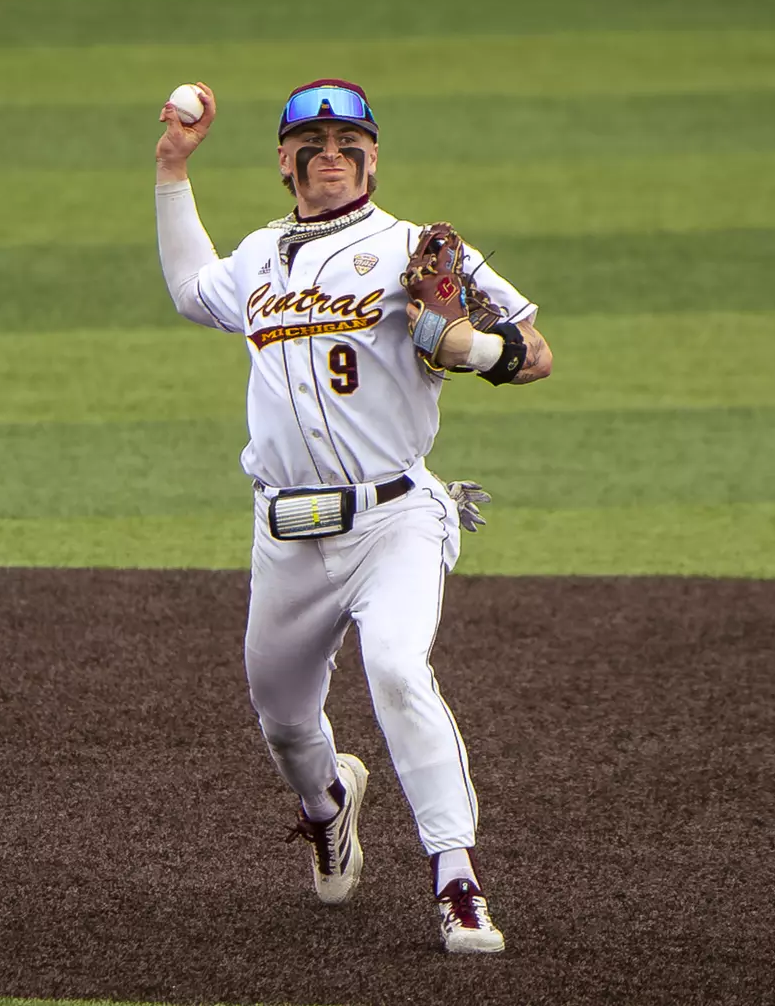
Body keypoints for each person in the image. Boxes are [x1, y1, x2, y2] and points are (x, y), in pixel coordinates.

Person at [153, 78, 552, 952]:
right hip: (286, 533)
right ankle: (329, 805)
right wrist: (173, 172)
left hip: (396, 520)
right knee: (284, 718)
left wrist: (473, 346)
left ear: (373, 157)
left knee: (399, 670)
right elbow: (192, 292)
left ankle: (458, 881)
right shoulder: (259, 254)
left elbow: (536, 350)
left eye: (348, 143)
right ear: (286, 160)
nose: (330, 156)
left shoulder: (415, 247)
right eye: (312, 144)